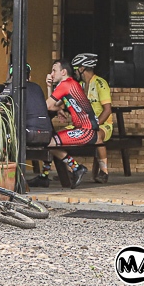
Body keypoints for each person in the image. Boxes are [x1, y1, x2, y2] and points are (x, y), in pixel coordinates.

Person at [45, 58, 98, 189]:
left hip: (87, 130)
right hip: (84, 129)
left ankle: (76, 168)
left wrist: (56, 107)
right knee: (50, 140)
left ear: (63, 72)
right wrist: (49, 87)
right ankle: (44, 174)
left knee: (49, 142)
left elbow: (47, 105)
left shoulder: (65, 84)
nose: (51, 74)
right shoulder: (70, 84)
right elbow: (54, 105)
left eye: (54, 71)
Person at [1, 63, 54, 188]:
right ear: (29, 77)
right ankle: (44, 175)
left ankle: (11, 178)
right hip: (47, 135)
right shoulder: (37, 87)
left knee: (1, 141)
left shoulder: (13, 86)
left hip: (29, 135)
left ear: (12, 77)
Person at [72, 53, 113, 183]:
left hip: (103, 125)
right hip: (84, 124)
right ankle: (71, 169)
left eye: (75, 69)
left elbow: (107, 110)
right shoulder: (80, 85)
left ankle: (104, 172)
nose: (74, 72)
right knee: (59, 136)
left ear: (82, 68)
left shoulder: (100, 83)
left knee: (97, 136)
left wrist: (94, 125)